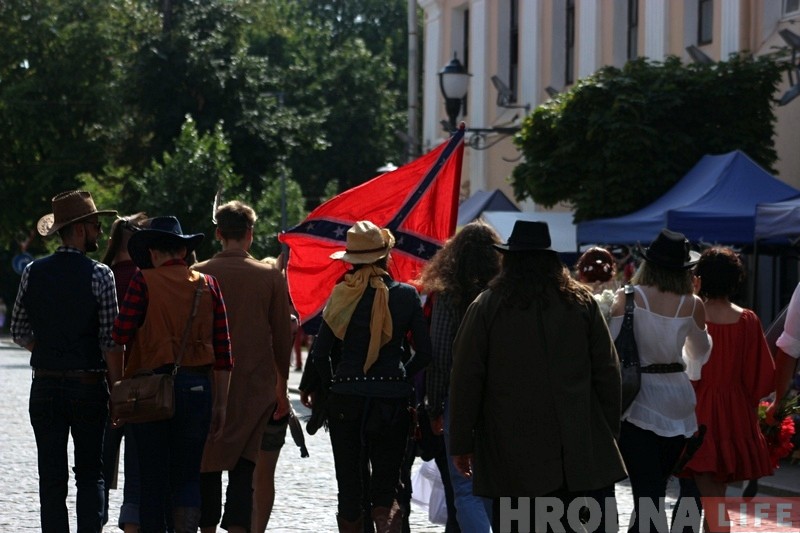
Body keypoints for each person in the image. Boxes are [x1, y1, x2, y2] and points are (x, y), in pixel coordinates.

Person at [448, 220, 626, 533]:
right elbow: (608, 373)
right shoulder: (581, 303)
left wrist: (461, 442)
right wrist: (604, 433)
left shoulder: (488, 306)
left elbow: (465, 379)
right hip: (575, 452)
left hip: (511, 454)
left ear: (509, 260)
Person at [299, 220, 432, 532]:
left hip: (347, 398)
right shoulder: (406, 296)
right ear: (386, 257)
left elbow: (319, 354)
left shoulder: (342, 295)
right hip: (392, 400)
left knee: (349, 485)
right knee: (388, 485)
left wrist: (335, 385)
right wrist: (400, 376)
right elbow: (424, 354)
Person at [112, 216, 232, 532]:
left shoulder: (142, 282)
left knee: (153, 477)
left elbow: (120, 334)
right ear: (182, 250)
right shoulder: (209, 285)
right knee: (188, 475)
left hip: (151, 390)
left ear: (152, 252)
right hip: (197, 389)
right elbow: (224, 352)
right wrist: (220, 405)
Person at [10, 190, 122, 532]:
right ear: (79, 229)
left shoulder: (33, 272)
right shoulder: (101, 275)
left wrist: (47, 352)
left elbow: (18, 330)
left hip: (45, 384)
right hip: (88, 385)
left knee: (51, 478)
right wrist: (116, 389)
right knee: (90, 475)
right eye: (95, 225)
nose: (100, 232)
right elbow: (110, 341)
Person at [193, 201, 293, 533]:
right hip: (255, 387)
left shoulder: (200, 273)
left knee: (206, 466)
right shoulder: (270, 277)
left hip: (208, 385)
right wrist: (282, 387)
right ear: (249, 235)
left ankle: (205, 528)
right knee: (244, 470)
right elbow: (282, 337)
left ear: (219, 233)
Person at [608, 229, 712, 533]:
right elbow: (700, 356)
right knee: (659, 485)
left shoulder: (627, 297)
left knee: (647, 492)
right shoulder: (692, 303)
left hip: (637, 398)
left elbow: (612, 349)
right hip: (678, 400)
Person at [679, 247, 775, 532]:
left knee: (708, 498)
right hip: (734, 414)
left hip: (697, 411)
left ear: (700, 279)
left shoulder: (691, 315)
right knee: (716, 497)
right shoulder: (747, 320)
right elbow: (760, 378)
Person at [417, 220, 501, 531]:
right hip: (501, 395)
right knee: (494, 482)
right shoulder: (504, 292)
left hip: (460, 395)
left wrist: (434, 406)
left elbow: (439, 354)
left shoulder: (448, 293)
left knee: (465, 486)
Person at [100, 212, 149, 532]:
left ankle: (96, 517)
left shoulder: (101, 276)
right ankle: (130, 520)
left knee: (98, 464)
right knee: (136, 465)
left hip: (99, 382)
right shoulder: (145, 279)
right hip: (138, 383)